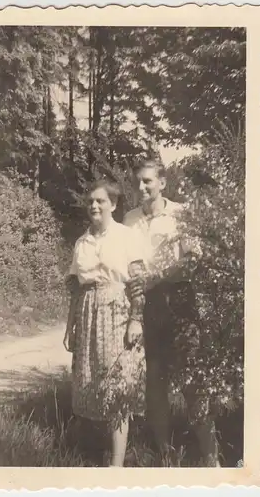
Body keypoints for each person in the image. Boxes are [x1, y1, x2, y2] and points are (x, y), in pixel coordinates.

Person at [124, 159, 221, 467]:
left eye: (147, 181)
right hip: (147, 305)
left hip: (180, 300)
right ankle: (165, 454)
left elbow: (193, 259)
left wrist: (160, 276)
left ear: (162, 183)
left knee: (193, 379)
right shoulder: (129, 219)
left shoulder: (180, 213)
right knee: (155, 380)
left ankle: (211, 456)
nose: (141, 187)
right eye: (138, 181)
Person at [63, 179, 147, 467]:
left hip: (118, 311)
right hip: (88, 313)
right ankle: (93, 449)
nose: (94, 206)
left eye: (100, 201)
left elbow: (137, 282)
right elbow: (75, 287)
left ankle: (117, 463)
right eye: (90, 201)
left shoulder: (126, 236)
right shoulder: (81, 242)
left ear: (114, 204)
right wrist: (69, 326)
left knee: (117, 383)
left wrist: (135, 320)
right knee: (91, 381)